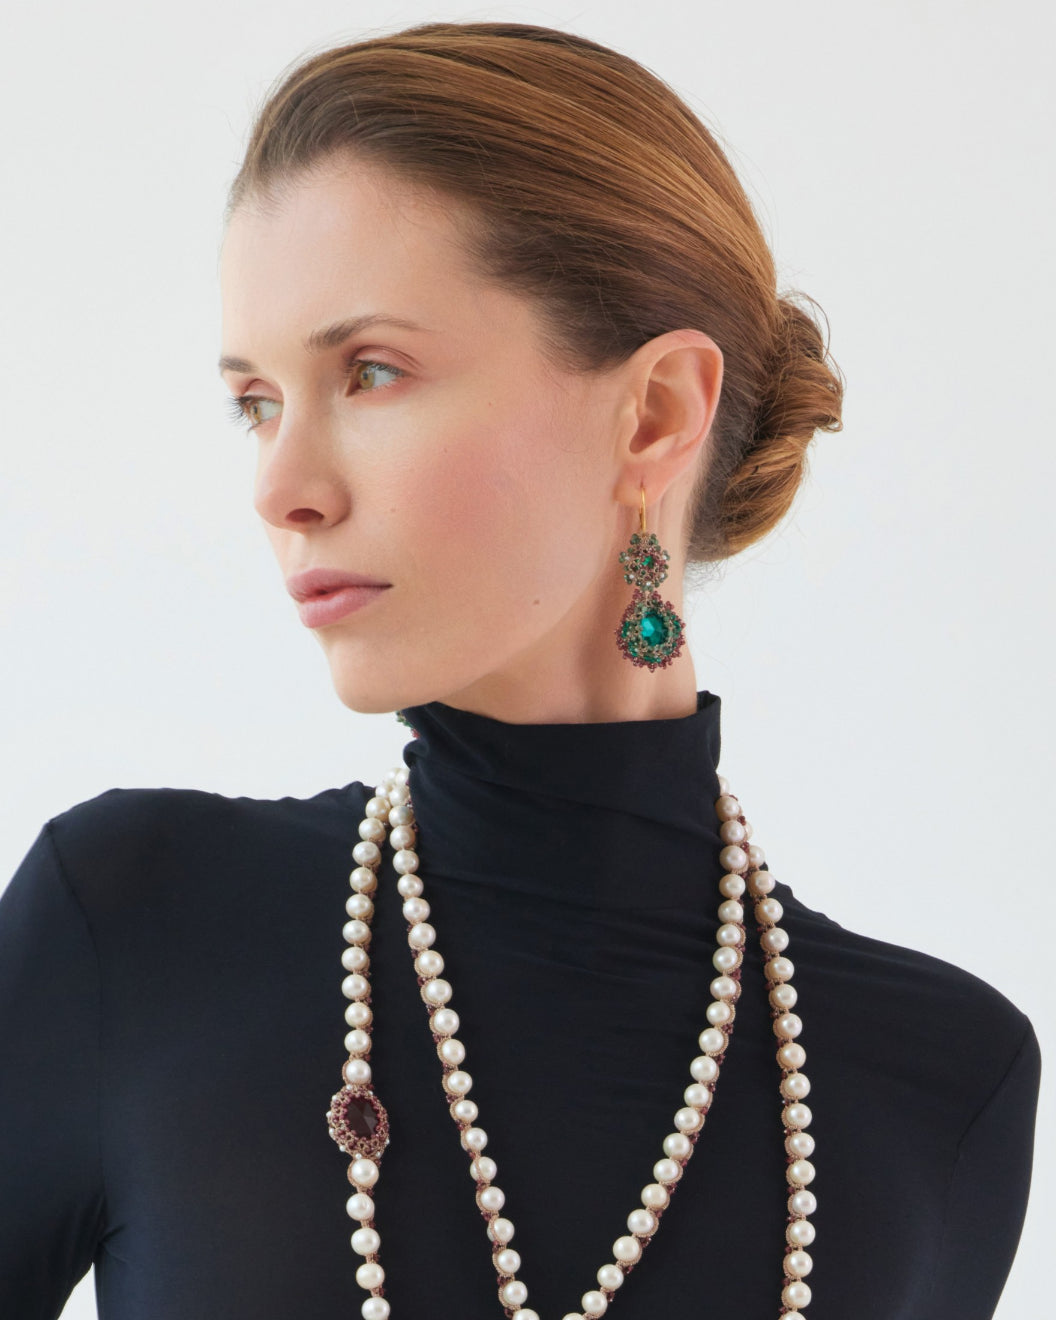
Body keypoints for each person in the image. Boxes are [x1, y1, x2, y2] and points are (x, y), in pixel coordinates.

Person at [0, 19, 1040, 1320]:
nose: (281, 487)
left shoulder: (942, 1084)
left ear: (655, 413)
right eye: (257, 402)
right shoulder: (133, 927)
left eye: (371, 372)